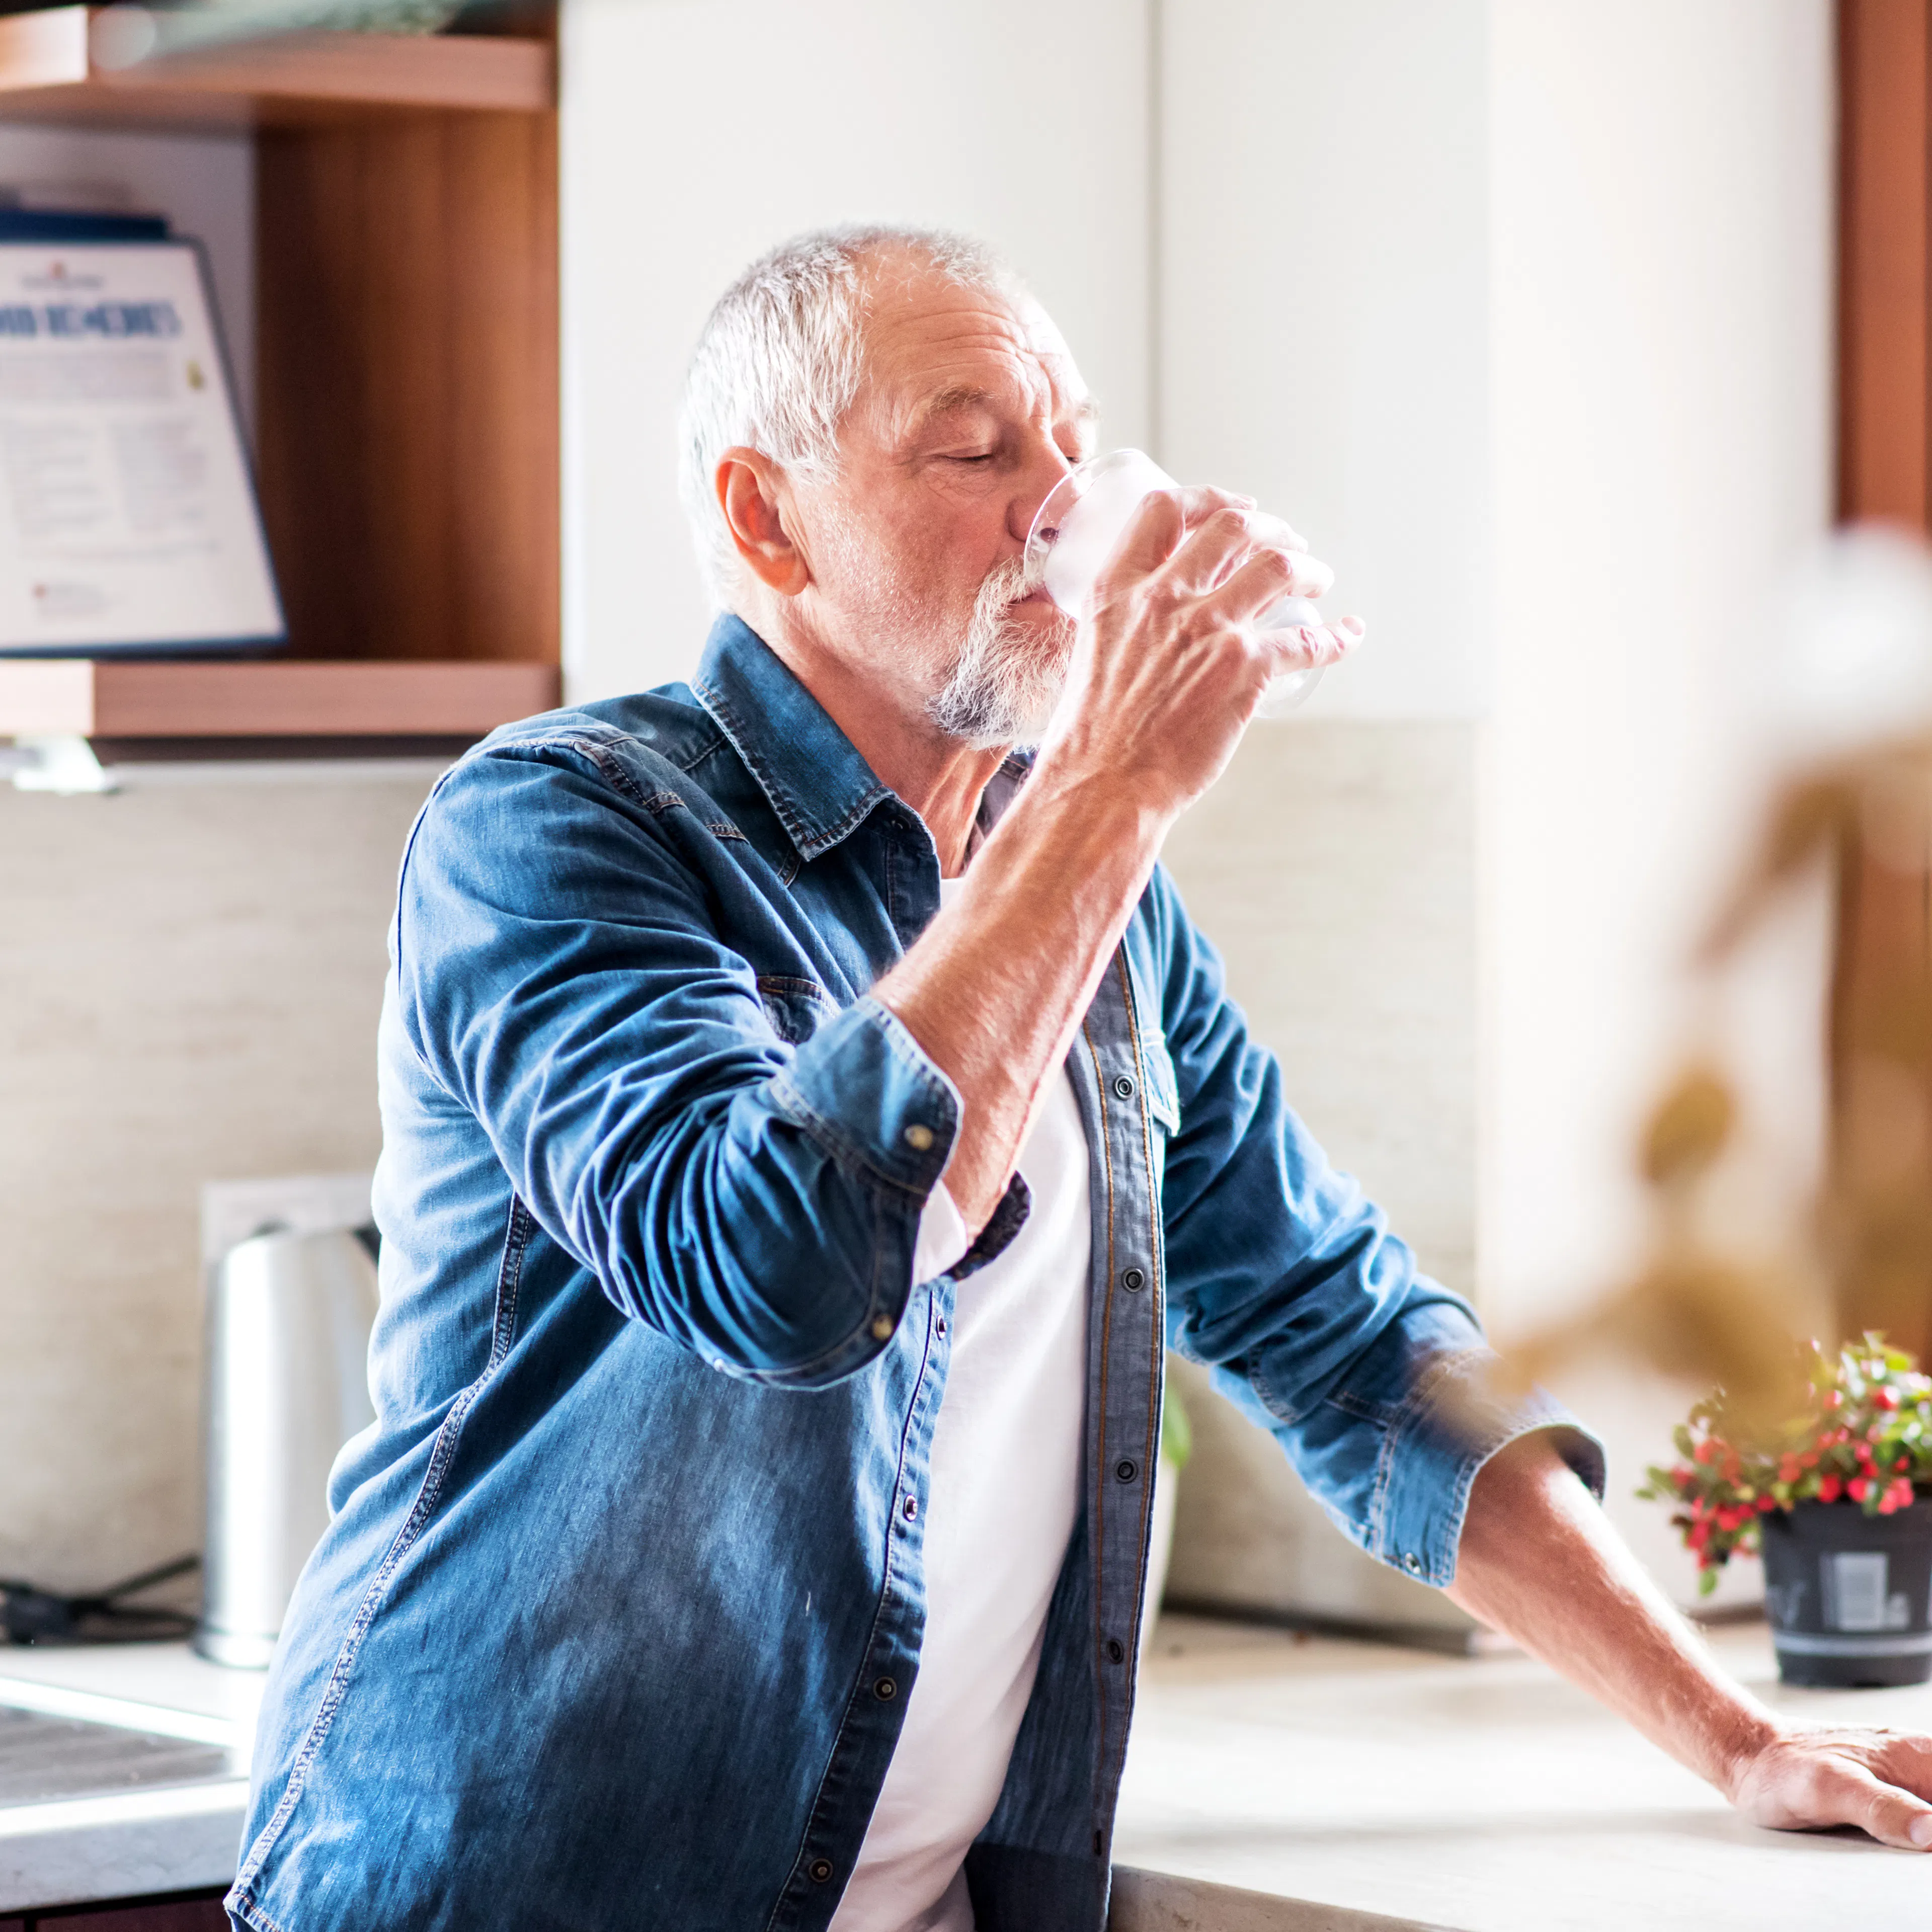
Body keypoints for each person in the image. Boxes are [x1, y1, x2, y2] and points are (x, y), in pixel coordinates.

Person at [227, 226, 1932, 1932]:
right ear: (767, 518)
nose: (1060, 504)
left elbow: (1343, 1335)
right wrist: (1112, 783)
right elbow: (780, 1273)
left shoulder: (1098, 894)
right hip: (503, 1890)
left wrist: (1735, 1737)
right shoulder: (558, 825)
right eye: (975, 451)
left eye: (1071, 440)